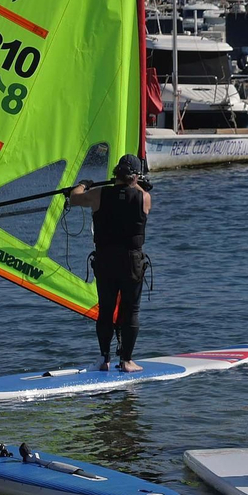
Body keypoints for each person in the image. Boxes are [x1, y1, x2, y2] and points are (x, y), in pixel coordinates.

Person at [69, 153, 151, 372]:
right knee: (131, 310)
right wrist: (138, 184)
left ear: (116, 173)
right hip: (132, 262)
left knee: (106, 310)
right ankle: (127, 361)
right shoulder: (144, 198)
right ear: (135, 176)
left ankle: (104, 358)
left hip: (106, 260)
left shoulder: (98, 194)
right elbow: (138, 192)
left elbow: (74, 198)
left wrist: (83, 184)